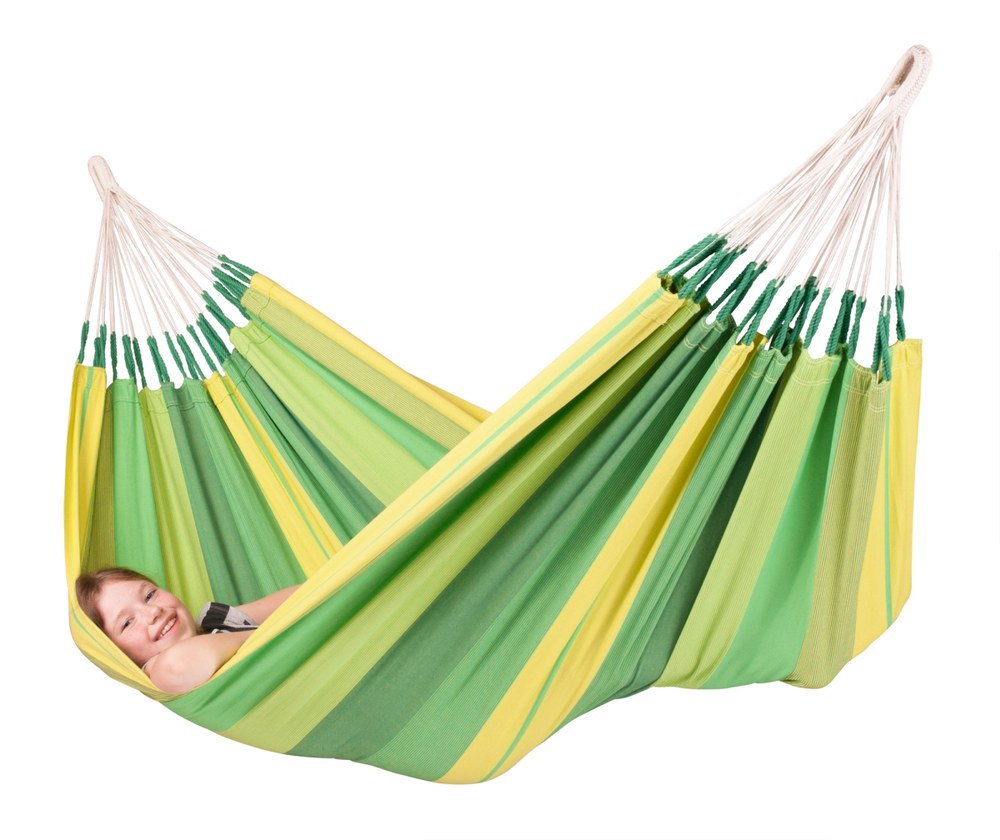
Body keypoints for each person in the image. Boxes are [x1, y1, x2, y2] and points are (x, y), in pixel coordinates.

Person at [76, 567, 300, 694]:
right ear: (116, 655)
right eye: (127, 623)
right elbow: (179, 665)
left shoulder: (213, 623)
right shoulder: (160, 672)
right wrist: (284, 632)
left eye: (150, 595)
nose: (153, 612)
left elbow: (302, 598)